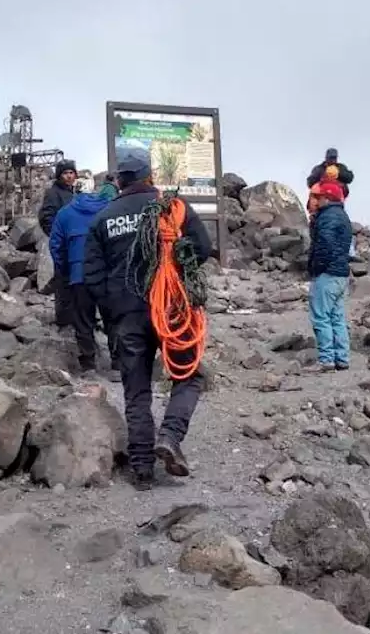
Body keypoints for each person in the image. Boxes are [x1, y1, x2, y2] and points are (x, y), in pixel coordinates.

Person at [83, 155, 214, 490]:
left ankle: (142, 469)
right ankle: (170, 436)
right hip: (171, 308)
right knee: (190, 375)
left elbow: (92, 276)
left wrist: (112, 310)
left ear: (121, 181)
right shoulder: (173, 206)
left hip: (127, 316)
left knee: (136, 389)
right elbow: (202, 246)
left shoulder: (103, 218)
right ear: (149, 176)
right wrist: (178, 271)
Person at [48, 180, 119, 373]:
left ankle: (88, 364)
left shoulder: (65, 213)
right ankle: (117, 364)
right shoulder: (110, 210)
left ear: (75, 191)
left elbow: (55, 245)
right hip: (106, 274)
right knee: (112, 318)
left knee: (83, 319)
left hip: (79, 275)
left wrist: (65, 269)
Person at [306, 181, 353, 372]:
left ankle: (326, 359)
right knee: (337, 317)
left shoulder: (327, 217)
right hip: (341, 273)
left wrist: (317, 266)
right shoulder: (342, 215)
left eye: (320, 197)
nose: (317, 201)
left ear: (328, 198)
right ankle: (342, 358)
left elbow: (324, 243)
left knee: (321, 316)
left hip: (327, 273)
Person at [39, 159, 80, 329]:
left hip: (75, 244)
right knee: (63, 280)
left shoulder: (73, 192)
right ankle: (63, 319)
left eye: (71, 172)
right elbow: (46, 217)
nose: (69, 176)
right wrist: (57, 237)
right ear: (59, 175)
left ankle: (75, 316)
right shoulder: (53, 193)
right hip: (63, 244)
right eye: (65, 173)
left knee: (74, 279)